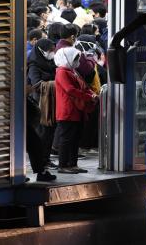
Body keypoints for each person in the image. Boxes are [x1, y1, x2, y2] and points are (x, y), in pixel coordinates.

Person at [53, 47, 97, 173]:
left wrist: (92, 95)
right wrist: (89, 97)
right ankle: (63, 166)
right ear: (67, 58)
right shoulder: (62, 72)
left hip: (77, 111)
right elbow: (70, 90)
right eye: (75, 58)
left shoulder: (72, 71)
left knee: (75, 138)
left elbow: (84, 86)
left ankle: (73, 164)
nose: (78, 61)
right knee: (66, 139)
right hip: (67, 111)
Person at [26, 38, 58, 181]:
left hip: (49, 102)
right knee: (39, 137)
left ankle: (43, 165)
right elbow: (36, 83)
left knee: (44, 136)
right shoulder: (34, 64)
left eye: (53, 50)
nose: (51, 53)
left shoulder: (50, 62)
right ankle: (41, 168)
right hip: (39, 103)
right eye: (49, 50)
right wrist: (53, 82)